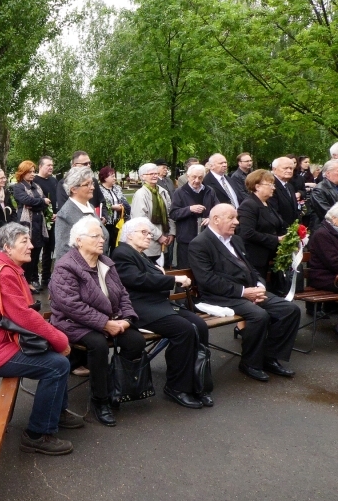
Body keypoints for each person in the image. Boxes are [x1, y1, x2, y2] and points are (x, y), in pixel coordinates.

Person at [0, 223, 79, 455]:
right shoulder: (4, 272)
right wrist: (60, 339)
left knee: (56, 360)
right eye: (24, 241)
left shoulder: (6, 267)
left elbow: (23, 314)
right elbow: (24, 316)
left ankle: (55, 411)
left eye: (29, 240)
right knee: (57, 365)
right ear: (7, 247)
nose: (31, 245)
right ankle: (37, 435)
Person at [49, 216, 144, 427]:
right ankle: (99, 402)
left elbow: (123, 295)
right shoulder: (66, 267)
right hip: (72, 322)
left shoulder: (107, 262)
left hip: (110, 319)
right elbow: (70, 305)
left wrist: (127, 319)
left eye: (102, 235)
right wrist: (104, 324)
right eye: (96, 236)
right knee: (99, 345)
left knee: (135, 341)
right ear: (79, 240)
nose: (102, 240)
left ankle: (114, 386)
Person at [188, 204, 301, 382]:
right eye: (232, 218)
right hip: (219, 296)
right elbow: (207, 280)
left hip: (248, 291)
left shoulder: (236, 240)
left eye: (237, 218)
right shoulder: (200, 244)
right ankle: (250, 363)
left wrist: (259, 285)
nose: (237, 222)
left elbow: (251, 269)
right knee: (259, 315)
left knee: (290, 310)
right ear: (216, 219)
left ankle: (269, 358)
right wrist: (244, 292)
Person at [112, 217, 213, 409]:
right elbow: (136, 280)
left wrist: (162, 275)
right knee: (183, 330)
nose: (149, 236)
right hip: (141, 308)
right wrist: (171, 279)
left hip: (158, 305)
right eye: (144, 232)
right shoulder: (122, 252)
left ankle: (198, 382)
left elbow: (151, 276)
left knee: (199, 325)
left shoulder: (139, 255)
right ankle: (177, 387)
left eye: (150, 233)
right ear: (129, 234)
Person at [237, 169, 286, 281]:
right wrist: (276, 239)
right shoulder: (248, 205)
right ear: (257, 187)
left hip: (270, 256)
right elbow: (247, 232)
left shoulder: (268, 204)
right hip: (255, 258)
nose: (273, 187)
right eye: (270, 184)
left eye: (273, 184)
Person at [169, 164, 219, 269]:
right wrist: (189, 209)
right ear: (188, 177)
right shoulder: (180, 192)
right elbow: (173, 214)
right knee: (186, 269)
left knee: (205, 268)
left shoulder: (209, 191)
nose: (196, 180)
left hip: (207, 237)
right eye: (194, 177)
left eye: (200, 177)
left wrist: (210, 219)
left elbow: (218, 210)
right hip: (187, 239)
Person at [55, 167, 109, 262]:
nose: (92, 187)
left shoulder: (90, 207)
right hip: (79, 273)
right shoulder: (64, 215)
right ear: (74, 189)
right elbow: (63, 253)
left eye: (92, 183)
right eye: (87, 184)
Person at [12, 160, 50, 292]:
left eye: (34, 171)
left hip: (39, 224)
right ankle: (26, 281)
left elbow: (45, 203)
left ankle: (33, 279)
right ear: (23, 173)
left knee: (36, 252)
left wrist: (36, 203)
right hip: (26, 224)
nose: (33, 174)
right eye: (30, 172)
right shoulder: (18, 187)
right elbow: (25, 200)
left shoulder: (36, 186)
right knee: (27, 253)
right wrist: (40, 202)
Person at [131, 163, 175, 266]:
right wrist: (159, 236)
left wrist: (171, 233)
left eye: (156, 173)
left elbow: (170, 213)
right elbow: (141, 220)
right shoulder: (141, 195)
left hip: (165, 241)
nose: (154, 176)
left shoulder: (162, 192)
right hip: (148, 243)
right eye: (151, 174)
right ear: (142, 177)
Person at [34, 157, 58, 288]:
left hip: (54, 220)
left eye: (52, 165)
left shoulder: (54, 181)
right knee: (37, 250)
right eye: (48, 165)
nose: (51, 167)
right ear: (40, 166)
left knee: (49, 250)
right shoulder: (35, 181)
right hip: (39, 220)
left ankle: (46, 277)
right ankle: (33, 278)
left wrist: (57, 214)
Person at [99, 166, 130, 254]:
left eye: (114, 175)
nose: (115, 178)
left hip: (118, 223)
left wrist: (122, 206)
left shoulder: (117, 188)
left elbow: (125, 201)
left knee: (116, 246)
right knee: (105, 246)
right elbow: (101, 204)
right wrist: (112, 207)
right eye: (112, 176)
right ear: (105, 177)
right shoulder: (99, 190)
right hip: (106, 223)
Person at [267, 156, 300, 228]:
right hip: (280, 230)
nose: (289, 171)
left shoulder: (289, 186)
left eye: (291, 168)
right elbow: (274, 212)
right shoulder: (271, 186)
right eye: (285, 168)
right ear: (274, 169)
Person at [309, 160, 338, 232]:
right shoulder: (319, 190)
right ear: (328, 173)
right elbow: (327, 213)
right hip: (325, 230)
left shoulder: (335, 186)